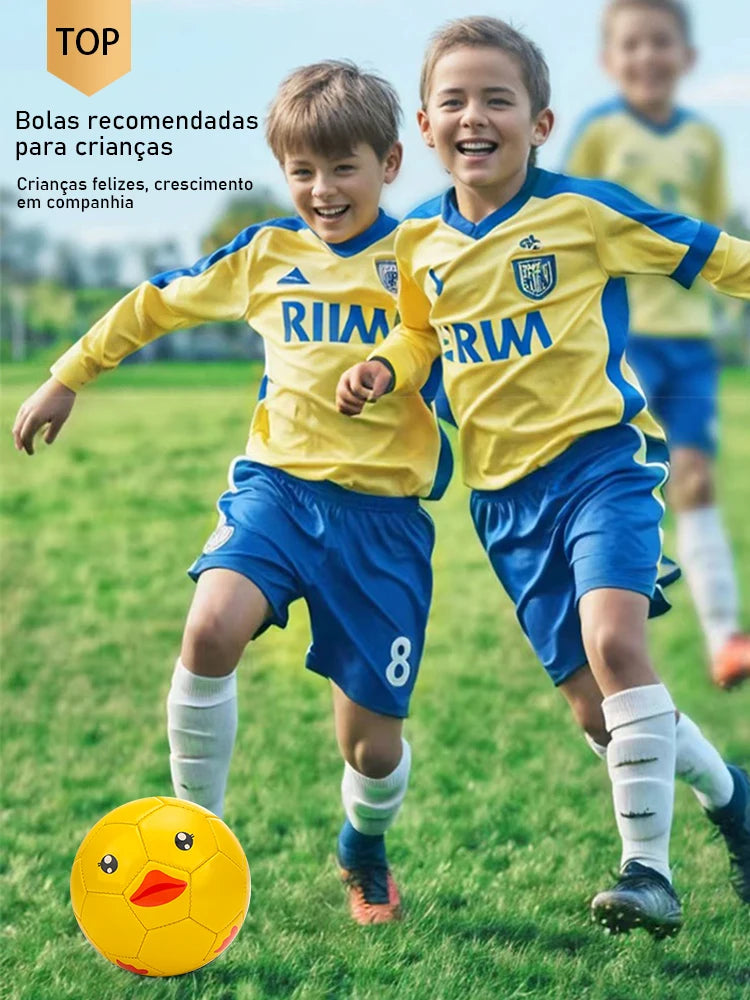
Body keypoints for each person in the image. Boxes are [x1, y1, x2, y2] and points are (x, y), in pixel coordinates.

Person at [12, 60, 452, 926]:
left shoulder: (426, 259)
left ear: (392, 163)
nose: (322, 190)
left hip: (384, 525)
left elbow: (465, 341)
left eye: (343, 168)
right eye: (302, 171)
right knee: (210, 625)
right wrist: (69, 375)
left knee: (371, 748)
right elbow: (154, 304)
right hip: (277, 493)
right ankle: (198, 842)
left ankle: (363, 847)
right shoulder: (264, 255)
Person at [336, 17, 750, 937]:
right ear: (426, 125)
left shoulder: (580, 213)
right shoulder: (416, 249)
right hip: (503, 502)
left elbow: (711, 253)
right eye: (454, 101)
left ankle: (649, 875)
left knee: (616, 643)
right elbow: (417, 335)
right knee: (603, 719)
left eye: (497, 99)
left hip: (603, 463)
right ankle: (738, 805)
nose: (474, 115)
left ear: (540, 123)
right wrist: (384, 368)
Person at [564, 0, 749, 689]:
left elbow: (709, 236)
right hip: (620, 338)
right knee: (639, 471)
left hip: (690, 341)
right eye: (631, 45)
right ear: (612, 60)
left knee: (697, 477)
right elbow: (561, 221)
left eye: (660, 43)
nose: (647, 57)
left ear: (685, 57)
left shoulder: (704, 140)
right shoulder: (597, 135)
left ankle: (726, 638)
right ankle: (621, 579)